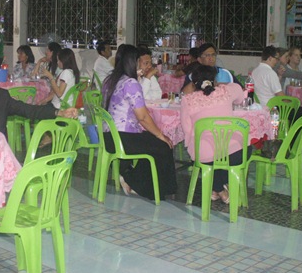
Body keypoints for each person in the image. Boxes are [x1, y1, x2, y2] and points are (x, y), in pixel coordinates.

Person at [101, 45, 176, 201]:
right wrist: (161, 135)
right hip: (123, 138)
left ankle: (132, 177)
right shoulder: (130, 83)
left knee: (151, 141)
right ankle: (142, 184)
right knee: (163, 145)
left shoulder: (110, 79)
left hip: (109, 137)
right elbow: (143, 117)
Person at [180, 65, 246, 204]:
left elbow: (187, 129)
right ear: (214, 80)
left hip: (204, 154)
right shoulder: (226, 91)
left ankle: (217, 188)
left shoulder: (187, 100)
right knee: (244, 148)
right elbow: (240, 95)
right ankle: (219, 187)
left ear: (193, 84)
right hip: (233, 154)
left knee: (209, 157)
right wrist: (222, 85)